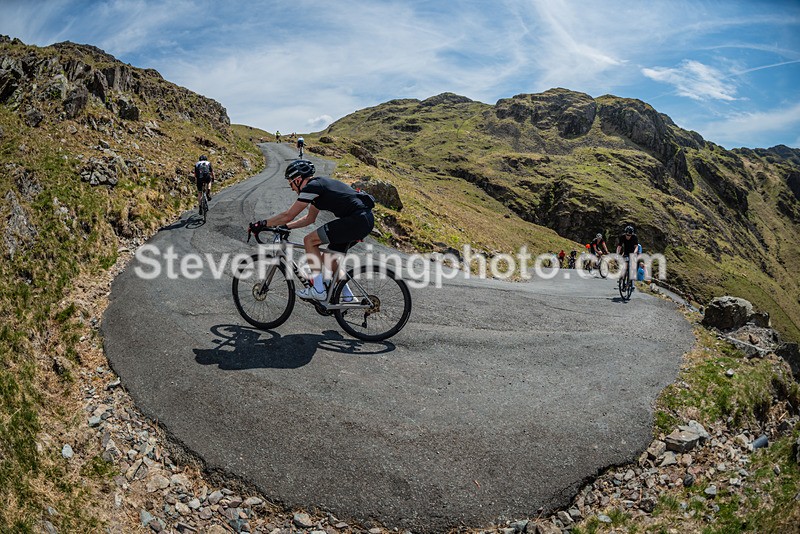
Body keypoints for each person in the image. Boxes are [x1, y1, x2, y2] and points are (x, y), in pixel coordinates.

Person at [252, 159, 375, 301]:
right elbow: (309, 219)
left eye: (291, 183)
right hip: (364, 220)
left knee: (309, 240)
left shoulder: (312, 187)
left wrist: (261, 224)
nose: (291, 188)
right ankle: (349, 297)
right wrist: (286, 227)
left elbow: (288, 215)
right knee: (329, 259)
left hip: (357, 220)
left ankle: (318, 289)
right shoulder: (318, 189)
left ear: (298, 180)